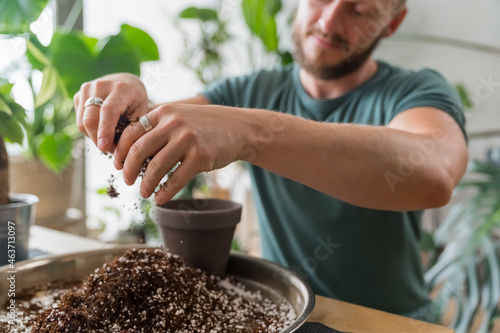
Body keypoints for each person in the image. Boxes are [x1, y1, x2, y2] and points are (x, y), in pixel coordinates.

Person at [74, 0, 468, 320]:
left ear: (393, 22)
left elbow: (433, 172)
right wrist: (123, 100)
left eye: (359, 9)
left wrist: (251, 134)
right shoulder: (249, 89)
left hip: (388, 322)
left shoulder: (415, 90)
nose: (330, 21)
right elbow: (162, 128)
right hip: (286, 314)